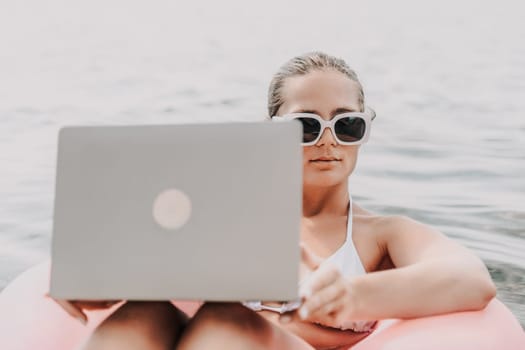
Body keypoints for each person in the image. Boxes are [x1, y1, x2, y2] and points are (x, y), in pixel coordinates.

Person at [54, 51, 496, 350]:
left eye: (348, 126)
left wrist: (348, 297)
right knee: (142, 313)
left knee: (227, 319)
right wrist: (95, 284)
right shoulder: (217, 222)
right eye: (305, 126)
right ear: (271, 130)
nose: (328, 141)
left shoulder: (383, 235)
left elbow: (472, 281)